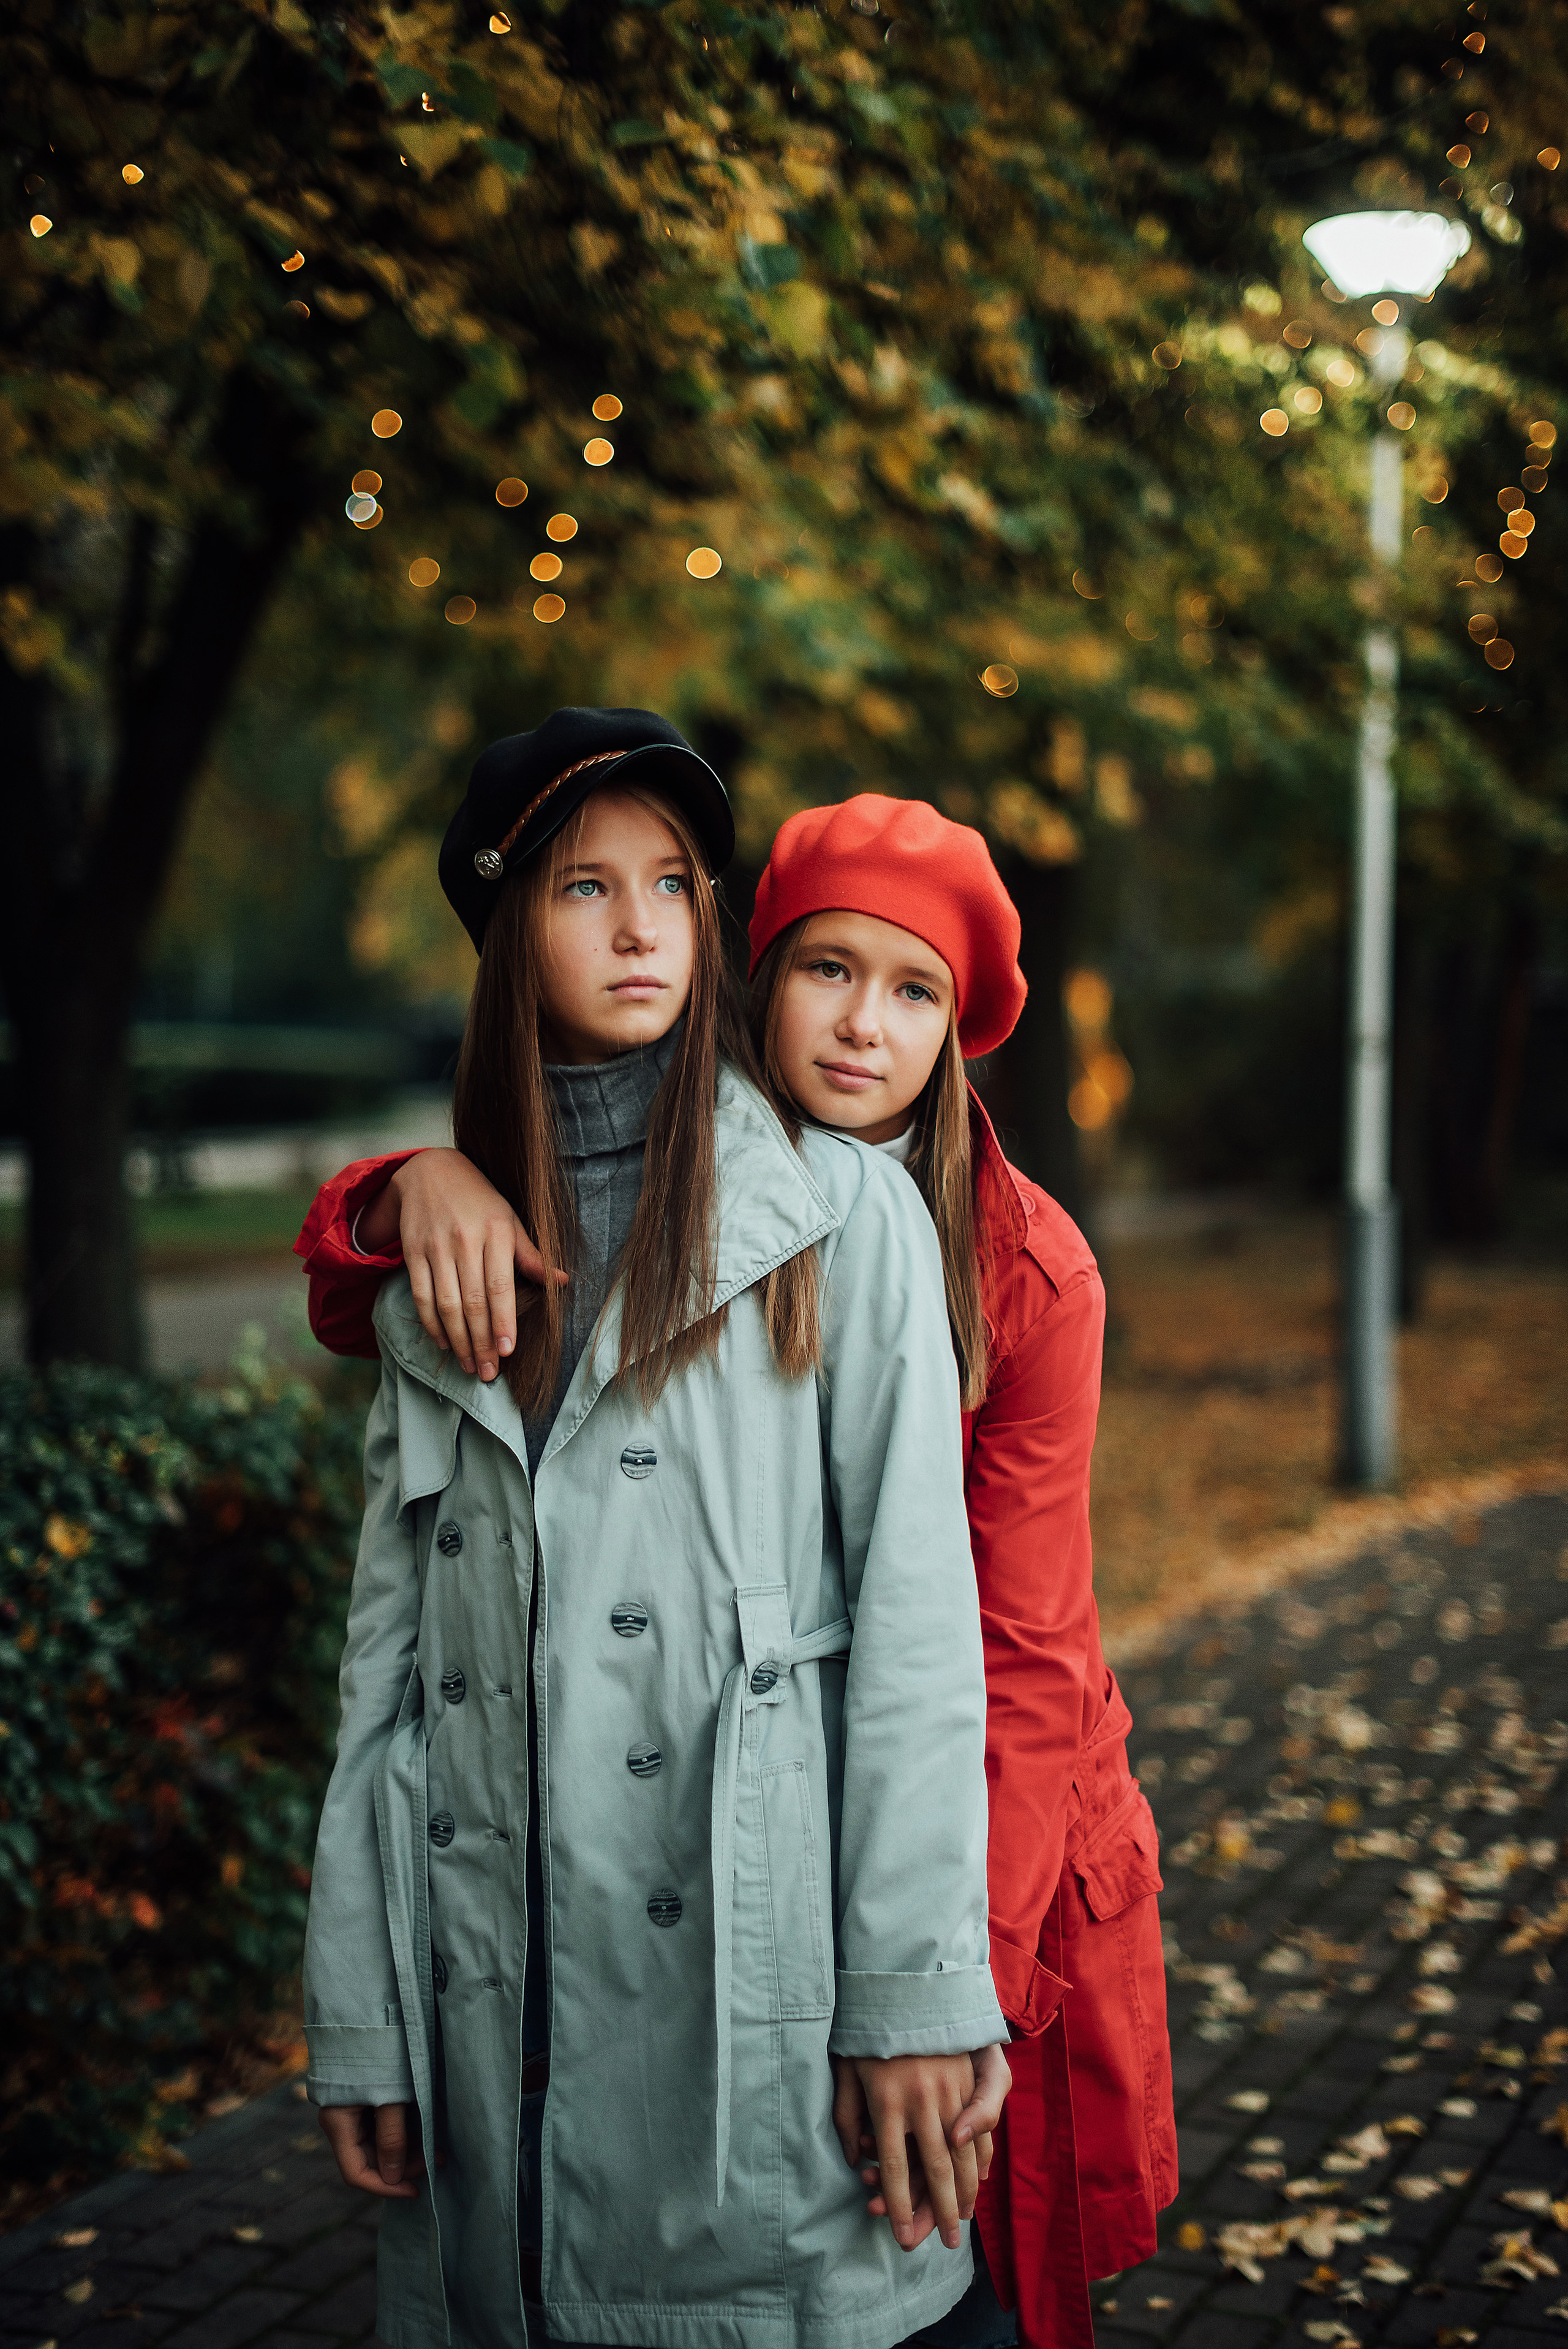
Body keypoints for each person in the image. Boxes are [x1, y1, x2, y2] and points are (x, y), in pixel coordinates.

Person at [300, 711, 1011, 2349]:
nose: (639, 928)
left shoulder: (839, 1214)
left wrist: (911, 1998)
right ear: (504, 933)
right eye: (581, 887)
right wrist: (363, 2009)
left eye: (675, 886)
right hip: (493, 1990)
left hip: (742, 1997)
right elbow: (385, 1672)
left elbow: (918, 1632)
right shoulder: (443, 1266)